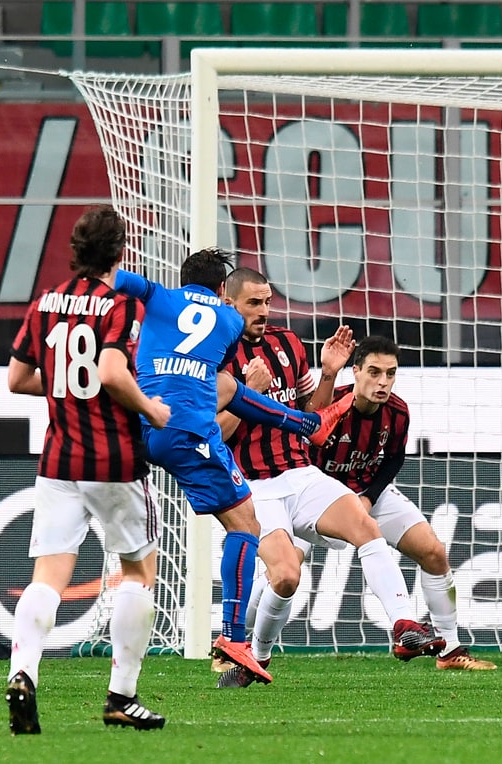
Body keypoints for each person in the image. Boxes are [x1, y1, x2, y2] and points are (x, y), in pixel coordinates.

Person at [112, 248, 352, 685]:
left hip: (143, 427)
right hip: (189, 434)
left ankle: (307, 424)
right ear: (223, 290)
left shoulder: (159, 296)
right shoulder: (227, 321)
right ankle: (233, 637)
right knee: (245, 524)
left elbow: (116, 280)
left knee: (227, 385)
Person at [214, 268, 445, 687]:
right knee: (286, 576)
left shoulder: (288, 343)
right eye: (254, 303)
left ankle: (403, 626)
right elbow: (213, 433)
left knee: (367, 528)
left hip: (301, 473)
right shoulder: (214, 357)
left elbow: (312, 419)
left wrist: (328, 374)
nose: (264, 311)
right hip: (253, 486)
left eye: (267, 302)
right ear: (229, 304)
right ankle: (255, 658)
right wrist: (249, 394)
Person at [5, 205, 172, 734]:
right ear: (121, 251)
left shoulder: (45, 302)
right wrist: (151, 409)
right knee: (138, 572)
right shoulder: (120, 305)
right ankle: (121, 696)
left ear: (75, 249)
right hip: (113, 459)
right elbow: (112, 372)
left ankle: (22, 673)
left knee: (48, 576)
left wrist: (64, 388)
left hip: (58, 460)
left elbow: (17, 379)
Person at [303, 334, 498, 670]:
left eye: (390, 373)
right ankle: (239, 644)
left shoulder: (397, 412)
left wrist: (368, 497)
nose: (383, 382)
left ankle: (450, 650)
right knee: (284, 573)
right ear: (356, 371)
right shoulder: (333, 406)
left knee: (433, 552)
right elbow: (304, 445)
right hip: (314, 496)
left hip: (367, 492)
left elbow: (393, 459)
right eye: (374, 372)